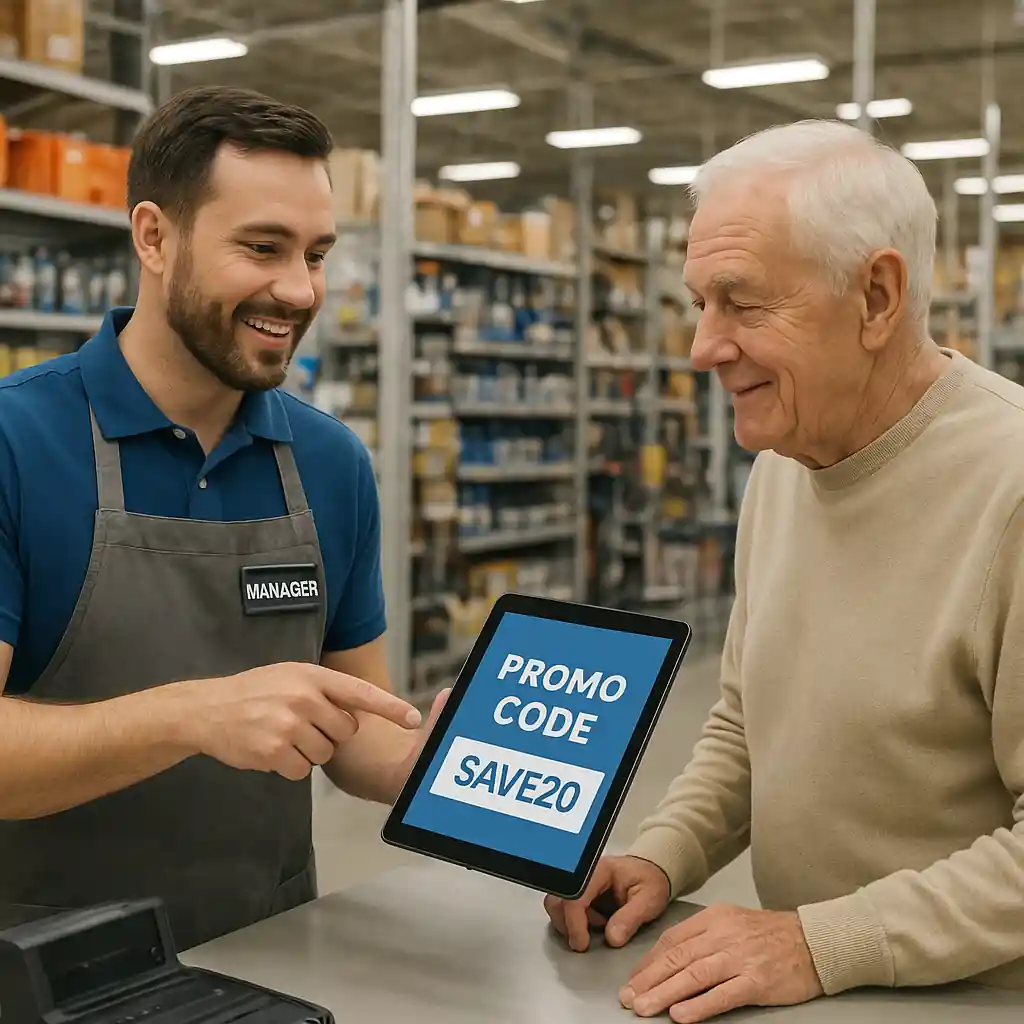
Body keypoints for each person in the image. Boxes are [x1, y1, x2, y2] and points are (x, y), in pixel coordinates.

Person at [544, 119, 1024, 1021]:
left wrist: (822, 940)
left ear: (877, 297)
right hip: (819, 995)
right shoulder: (783, 467)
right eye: (698, 303)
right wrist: (662, 854)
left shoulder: (1011, 489)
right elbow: (746, 723)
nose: (702, 348)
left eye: (743, 303)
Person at [0, 85, 446, 952]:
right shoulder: (17, 440)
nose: (298, 290)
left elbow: (354, 730)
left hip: (268, 956)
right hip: (44, 977)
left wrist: (442, 756)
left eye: (316, 254)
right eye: (262, 247)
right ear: (154, 236)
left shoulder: (330, 464)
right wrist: (193, 716)